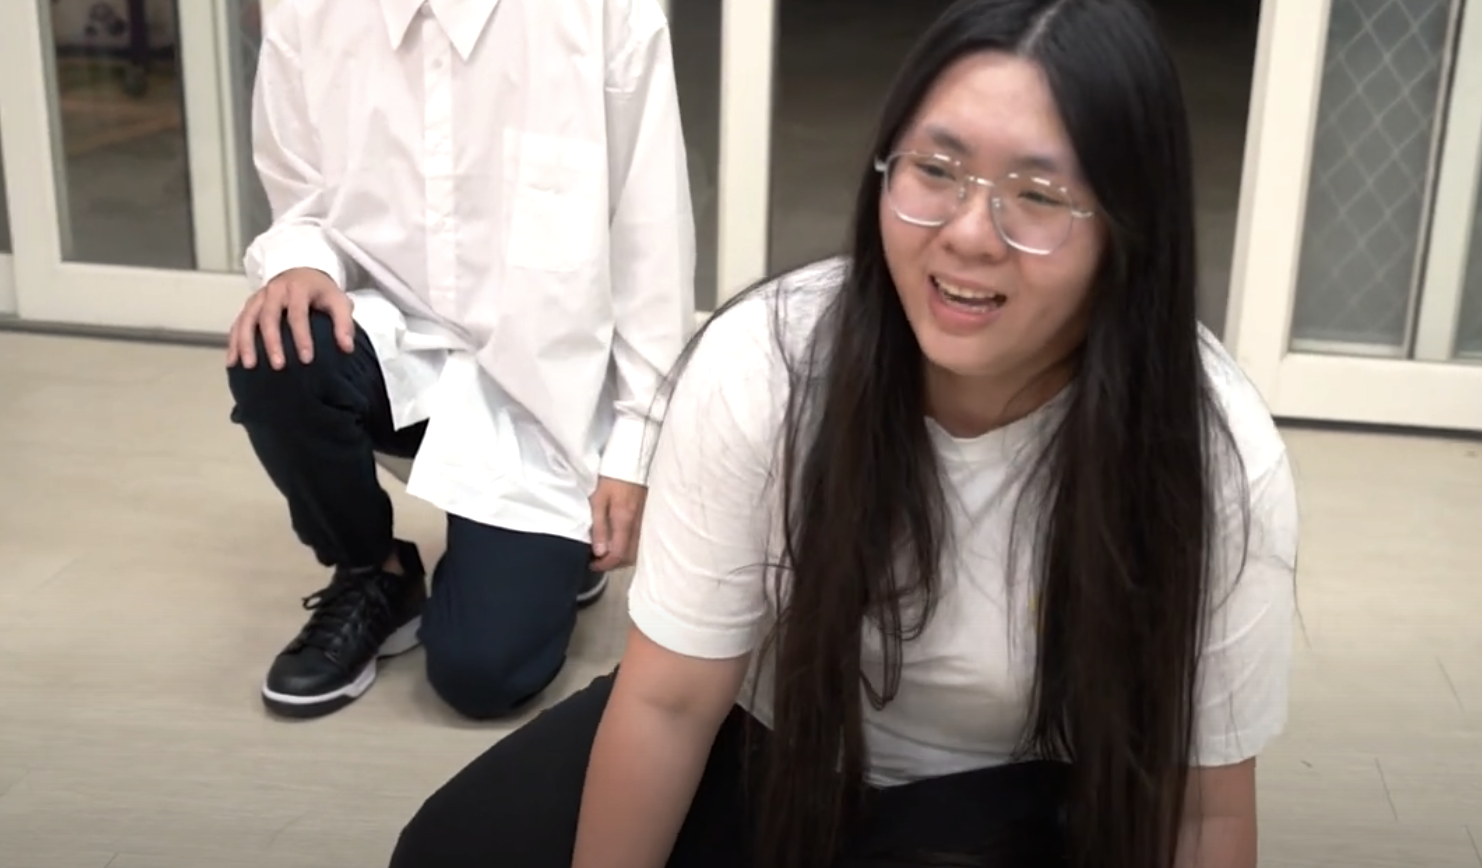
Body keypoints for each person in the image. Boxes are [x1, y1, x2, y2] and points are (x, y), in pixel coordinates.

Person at [389, 0, 1298, 865]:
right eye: (935, 170)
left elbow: (1203, 805)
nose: (969, 233)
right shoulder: (768, 365)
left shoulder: (1212, 452)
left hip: (1023, 800)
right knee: (453, 851)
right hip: (772, 747)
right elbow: (671, 702)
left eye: (1037, 193)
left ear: (1130, 227)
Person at [223, 0, 694, 722]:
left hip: (548, 398)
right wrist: (301, 262)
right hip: (394, 350)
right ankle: (373, 570)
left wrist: (633, 452)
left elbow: (651, 241)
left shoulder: (605, 11)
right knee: (278, 345)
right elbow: (300, 200)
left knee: (482, 676)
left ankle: (554, 549)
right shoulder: (306, 9)